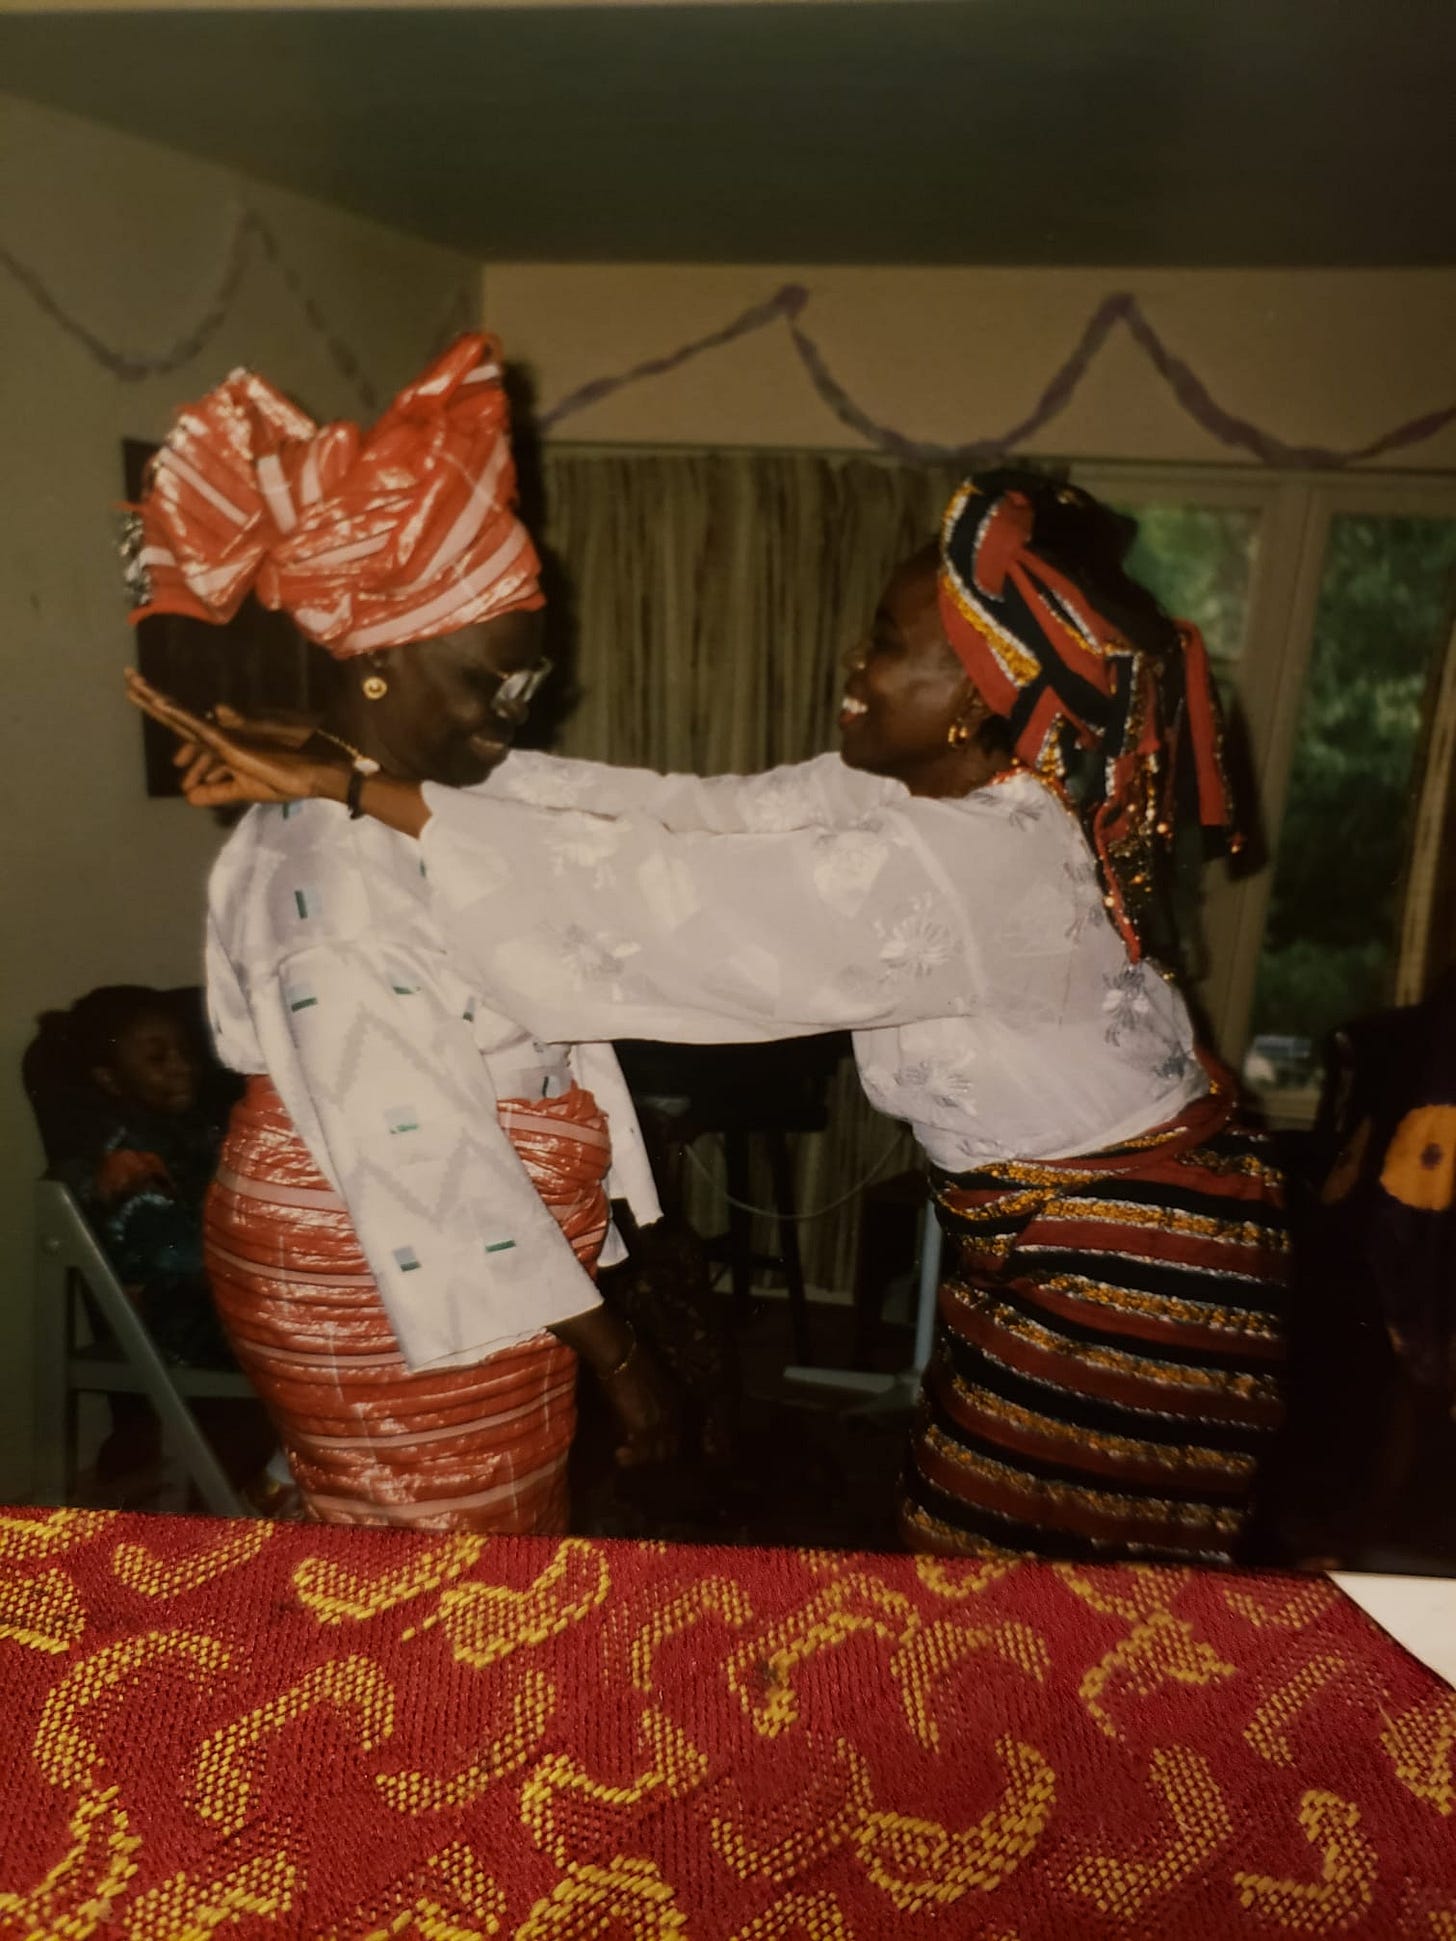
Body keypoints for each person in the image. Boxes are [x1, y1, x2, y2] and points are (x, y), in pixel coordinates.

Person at [130, 469, 1290, 1565]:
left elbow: (661, 898)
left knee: (1055, 1573)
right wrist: (351, 758)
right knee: (993, 1536)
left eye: (887, 646)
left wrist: (352, 785)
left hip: (1128, 1250)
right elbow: (681, 814)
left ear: (981, 695)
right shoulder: (918, 790)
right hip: (1054, 1231)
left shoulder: (984, 861)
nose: (855, 663)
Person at [122, 333, 671, 1533]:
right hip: (396, 1256)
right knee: (445, 1567)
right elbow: (420, 1154)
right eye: (486, 683)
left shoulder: (420, 802)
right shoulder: (335, 871)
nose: (512, 718)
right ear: (377, 666)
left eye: (528, 684)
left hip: (444, 1238)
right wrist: (618, 1355)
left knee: (420, 1544)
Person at [24, 985, 283, 1504]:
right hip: (187, 1323)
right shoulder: (127, 1160)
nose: (182, 1068)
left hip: (224, 1306)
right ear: (110, 1079)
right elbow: (177, 1258)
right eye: (158, 1059)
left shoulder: (193, 1132)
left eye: (185, 1053)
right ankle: (276, 1490)